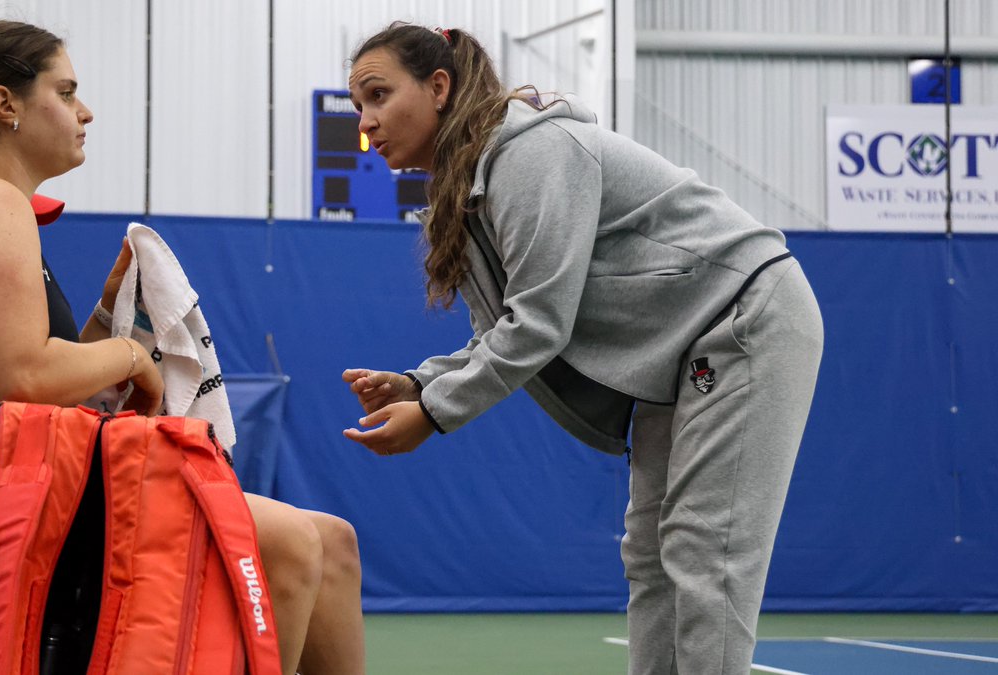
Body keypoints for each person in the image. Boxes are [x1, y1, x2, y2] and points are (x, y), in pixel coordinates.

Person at [0, 20, 363, 675]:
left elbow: (30, 380)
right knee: (292, 542)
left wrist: (104, 320)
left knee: (335, 541)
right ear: (5, 104)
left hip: (14, 485)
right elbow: (20, 375)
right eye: (66, 91)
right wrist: (131, 357)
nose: (85, 111)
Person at [340, 22, 823, 674]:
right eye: (358, 106)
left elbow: (539, 324)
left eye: (378, 95)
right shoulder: (472, 183)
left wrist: (433, 412)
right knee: (649, 552)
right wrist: (420, 383)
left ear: (439, 87)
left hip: (742, 315)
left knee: (707, 546)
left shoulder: (528, 153)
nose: (366, 122)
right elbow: (502, 329)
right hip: (677, 346)